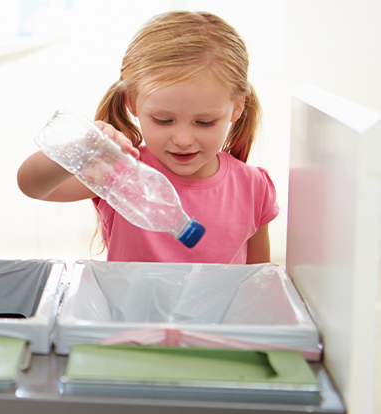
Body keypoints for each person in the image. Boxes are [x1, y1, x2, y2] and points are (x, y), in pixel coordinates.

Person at [17, 11, 278, 264]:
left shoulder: (255, 188)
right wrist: (83, 147)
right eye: (163, 120)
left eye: (205, 122)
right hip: (129, 310)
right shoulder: (122, 172)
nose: (183, 139)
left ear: (237, 107)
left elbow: (259, 281)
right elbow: (32, 185)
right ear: (131, 102)